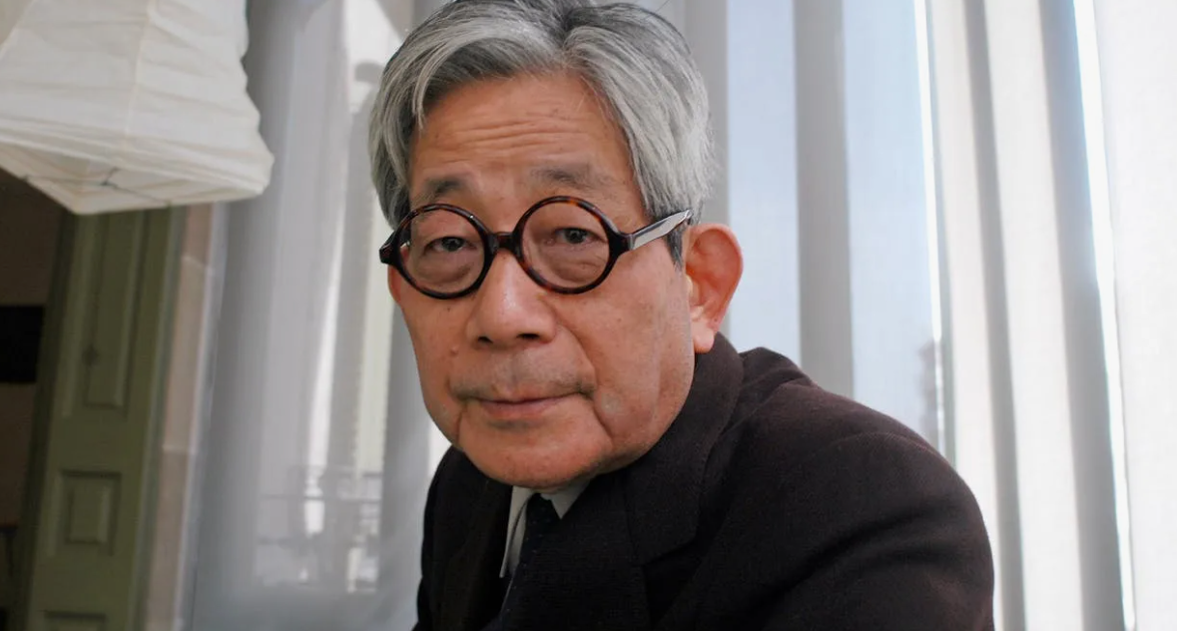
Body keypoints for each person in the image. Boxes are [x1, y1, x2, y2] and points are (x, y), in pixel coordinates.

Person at [368, 1, 995, 629]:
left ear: (699, 285)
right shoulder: (473, 479)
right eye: (449, 243)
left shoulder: (861, 504)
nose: (502, 315)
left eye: (573, 235)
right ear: (403, 287)